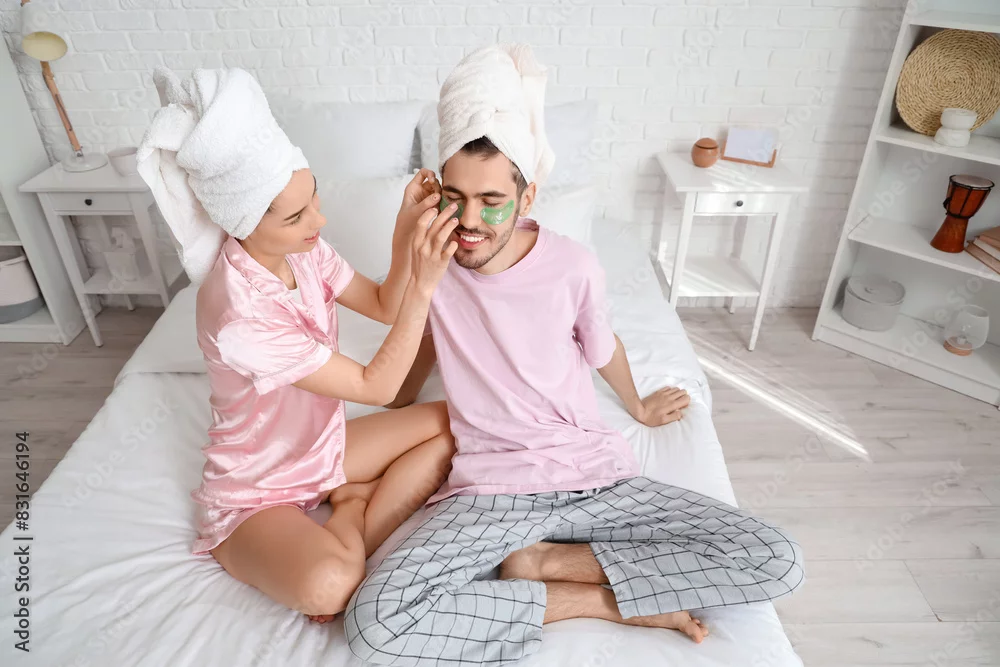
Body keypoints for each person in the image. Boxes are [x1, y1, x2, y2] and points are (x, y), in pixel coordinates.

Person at [345, 45, 804, 666]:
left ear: (527, 197)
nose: (471, 220)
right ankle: (600, 600)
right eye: (456, 197)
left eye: (491, 200)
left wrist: (638, 406)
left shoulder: (574, 266)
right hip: (491, 492)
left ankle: (546, 563)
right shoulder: (434, 264)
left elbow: (601, 345)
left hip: (593, 477)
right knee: (374, 622)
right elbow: (407, 363)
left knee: (777, 558)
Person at [137, 67, 462, 623]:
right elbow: (378, 387)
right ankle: (352, 510)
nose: (319, 219)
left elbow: (384, 304)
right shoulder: (238, 313)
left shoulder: (302, 250)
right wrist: (426, 288)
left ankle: (348, 510)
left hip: (320, 451)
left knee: (456, 423)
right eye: (296, 216)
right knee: (331, 587)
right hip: (255, 492)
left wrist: (405, 230)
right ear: (243, 222)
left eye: (314, 198)